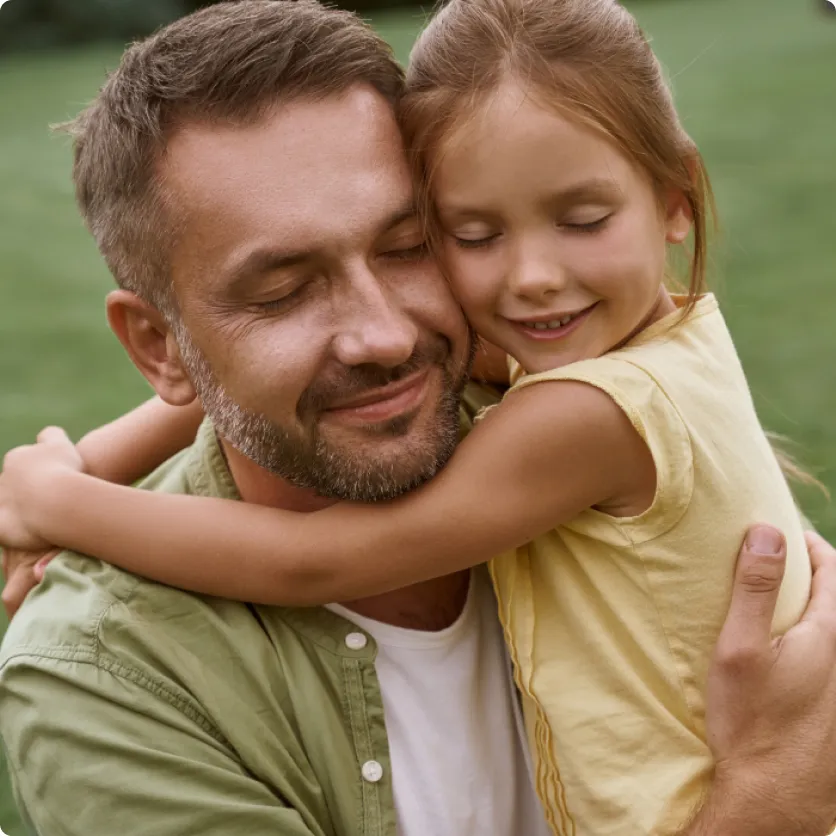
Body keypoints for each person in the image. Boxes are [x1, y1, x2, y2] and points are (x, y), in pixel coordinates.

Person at [3, 2, 836, 835]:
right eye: (282, 292)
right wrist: (769, 796)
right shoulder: (106, 682)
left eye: (407, 247)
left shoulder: (548, 397)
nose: (388, 336)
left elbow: (309, 561)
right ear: (161, 348)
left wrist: (59, 499)